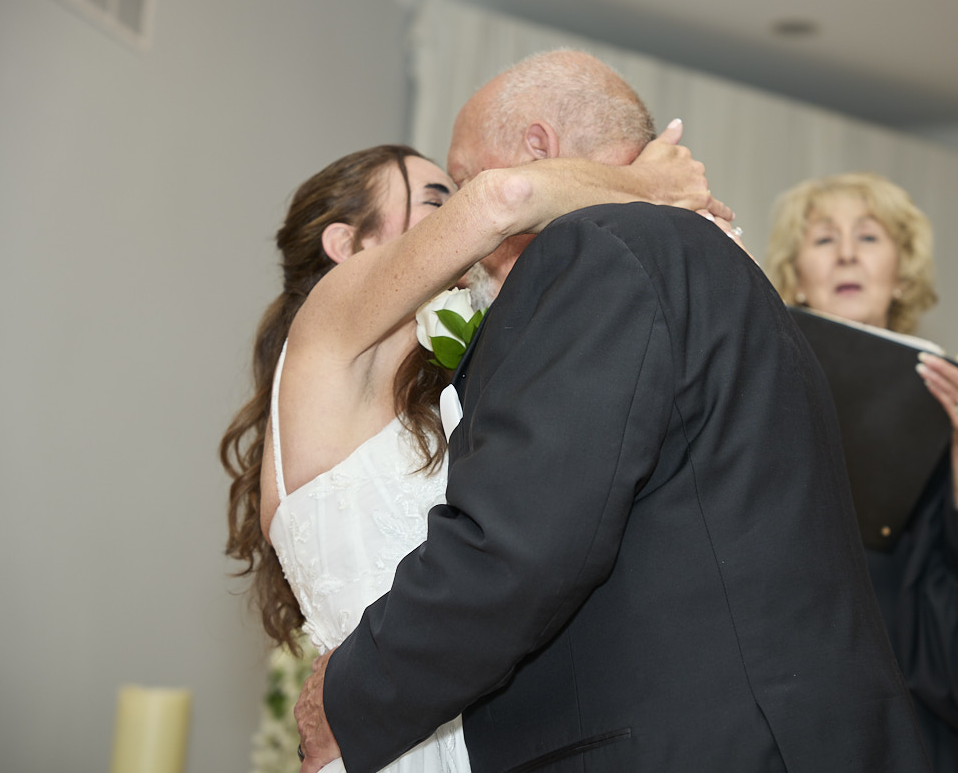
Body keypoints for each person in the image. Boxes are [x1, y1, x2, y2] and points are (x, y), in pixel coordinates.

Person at [297, 50, 931, 773]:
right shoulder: (711, 265)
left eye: (464, 181)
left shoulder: (598, 249)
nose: (465, 249)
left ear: (538, 151)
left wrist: (351, 695)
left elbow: (522, 540)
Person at [221, 135, 727, 773]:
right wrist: (648, 184)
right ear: (346, 243)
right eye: (436, 200)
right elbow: (503, 199)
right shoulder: (328, 318)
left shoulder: (422, 381)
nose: (454, 211)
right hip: (390, 737)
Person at [765, 171, 958, 772]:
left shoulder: (957, 406)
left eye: (868, 237)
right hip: (790, 715)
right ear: (794, 277)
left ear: (902, 274)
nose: (847, 254)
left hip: (918, 722)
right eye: (823, 239)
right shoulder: (756, 395)